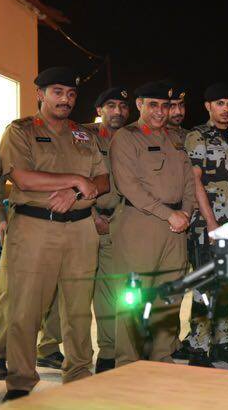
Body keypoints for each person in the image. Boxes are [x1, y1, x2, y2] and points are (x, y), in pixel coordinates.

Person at [0, 66, 109, 401]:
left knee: (78, 308)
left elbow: (103, 181)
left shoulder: (84, 135)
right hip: (35, 228)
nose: (66, 99)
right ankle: (21, 380)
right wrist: (76, 180)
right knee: (26, 308)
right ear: (40, 94)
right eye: (57, 92)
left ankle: (78, 374)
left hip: (81, 230)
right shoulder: (21, 131)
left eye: (71, 94)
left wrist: (75, 192)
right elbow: (22, 178)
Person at [110, 81, 195, 368]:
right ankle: (127, 362)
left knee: (170, 295)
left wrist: (185, 213)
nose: (161, 111)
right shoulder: (127, 137)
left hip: (176, 227)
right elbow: (129, 186)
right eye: (153, 105)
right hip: (141, 223)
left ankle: (162, 356)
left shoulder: (176, 138)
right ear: (140, 105)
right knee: (133, 297)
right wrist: (169, 214)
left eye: (166, 106)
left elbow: (189, 182)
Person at [182, 83, 228, 367]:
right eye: (219, 103)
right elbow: (194, 180)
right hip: (207, 225)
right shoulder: (197, 136)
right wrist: (211, 223)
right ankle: (198, 348)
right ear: (208, 106)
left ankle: (222, 343)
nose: (225, 109)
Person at [85, 86, 130, 373]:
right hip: (86, 221)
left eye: (123, 107)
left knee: (111, 291)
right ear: (99, 110)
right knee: (74, 291)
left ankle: (110, 351)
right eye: (111, 105)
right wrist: (91, 215)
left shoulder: (132, 138)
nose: (118, 111)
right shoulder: (84, 136)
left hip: (119, 221)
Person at [166, 85, 189, 150]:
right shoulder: (152, 136)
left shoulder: (192, 135)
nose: (178, 112)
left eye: (181, 105)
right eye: (172, 106)